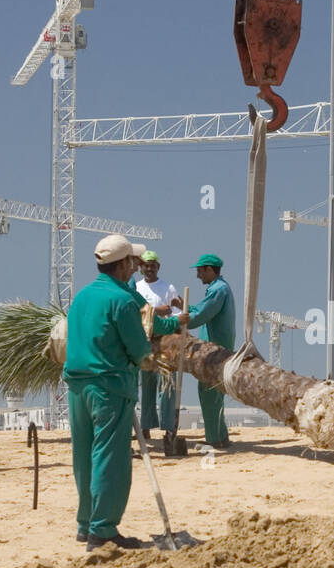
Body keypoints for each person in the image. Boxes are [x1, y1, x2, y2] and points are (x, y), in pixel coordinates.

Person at [64, 234, 178, 550]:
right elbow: (138, 346)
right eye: (134, 261)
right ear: (125, 264)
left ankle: (86, 524)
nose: (137, 267)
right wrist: (151, 361)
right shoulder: (122, 300)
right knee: (110, 458)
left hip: (77, 386)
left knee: (84, 456)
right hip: (109, 387)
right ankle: (103, 530)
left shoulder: (83, 297)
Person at [177, 254, 235, 448]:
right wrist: (184, 307)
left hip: (214, 350)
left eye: (200, 271)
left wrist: (178, 321)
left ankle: (214, 439)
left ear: (210, 270)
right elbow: (204, 310)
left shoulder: (218, 290)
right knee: (216, 393)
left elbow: (202, 314)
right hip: (219, 348)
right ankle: (221, 435)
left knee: (209, 392)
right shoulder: (219, 289)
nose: (198, 275)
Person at [130, 250, 183, 440]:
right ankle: (145, 426)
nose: (149, 268)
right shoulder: (136, 288)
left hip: (165, 342)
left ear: (158, 267)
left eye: (153, 265)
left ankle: (169, 427)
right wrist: (158, 311)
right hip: (145, 342)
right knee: (147, 385)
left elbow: (177, 316)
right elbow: (137, 313)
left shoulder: (168, 288)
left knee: (168, 385)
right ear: (141, 267)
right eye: (146, 265)